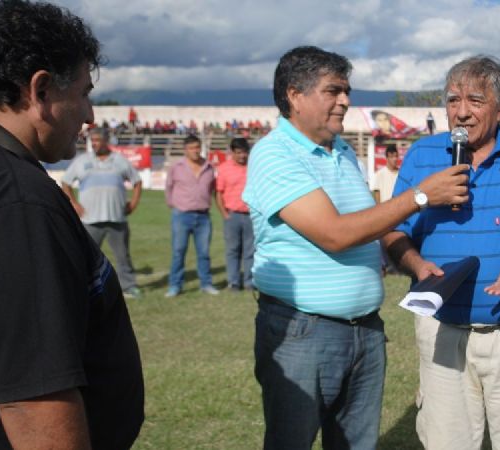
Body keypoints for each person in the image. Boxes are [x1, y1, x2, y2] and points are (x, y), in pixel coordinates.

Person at [242, 45, 469, 450]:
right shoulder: (274, 154)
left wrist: (414, 263)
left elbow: (372, 225)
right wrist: (420, 196)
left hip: (364, 329)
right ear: (295, 95)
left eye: (346, 91)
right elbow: (335, 233)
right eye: (333, 91)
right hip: (303, 332)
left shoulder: (342, 151)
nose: (345, 101)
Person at [0, 1, 144, 448]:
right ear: (40, 91)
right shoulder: (12, 197)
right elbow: (34, 395)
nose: (89, 115)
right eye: (83, 92)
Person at [382, 55, 500, 450]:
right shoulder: (422, 155)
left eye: (475, 100)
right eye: (453, 101)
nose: (462, 113)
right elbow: (392, 231)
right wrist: (417, 265)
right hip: (442, 332)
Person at [62, 128, 143, 299]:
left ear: (107, 141)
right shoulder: (82, 161)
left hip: (117, 218)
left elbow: (137, 181)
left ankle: (128, 287)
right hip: (90, 220)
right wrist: (74, 204)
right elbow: (66, 182)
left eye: (99, 139)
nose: (96, 143)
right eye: (93, 140)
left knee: (123, 256)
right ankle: (82, 289)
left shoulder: (120, 161)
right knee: (85, 256)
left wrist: (134, 202)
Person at [165, 134, 219, 297]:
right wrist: (174, 204)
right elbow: (169, 187)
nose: (195, 151)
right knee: (178, 251)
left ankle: (206, 284)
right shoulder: (177, 167)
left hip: (203, 217)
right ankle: (175, 285)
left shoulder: (209, 166)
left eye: (197, 147)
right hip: (182, 215)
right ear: (185, 149)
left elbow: (212, 189)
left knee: (203, 253)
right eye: (191, 148)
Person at [216, 137, 254, 291]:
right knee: (233, 250)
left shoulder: (254, 167)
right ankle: (233, 282)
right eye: (238, 153)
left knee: (250, 250)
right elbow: (219, 193)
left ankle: (249, 282)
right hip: (232, 215)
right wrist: (224, 214)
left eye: (244, 152)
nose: (242, 156)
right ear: (232, 152)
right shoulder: (224, 168)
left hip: (251, 215)